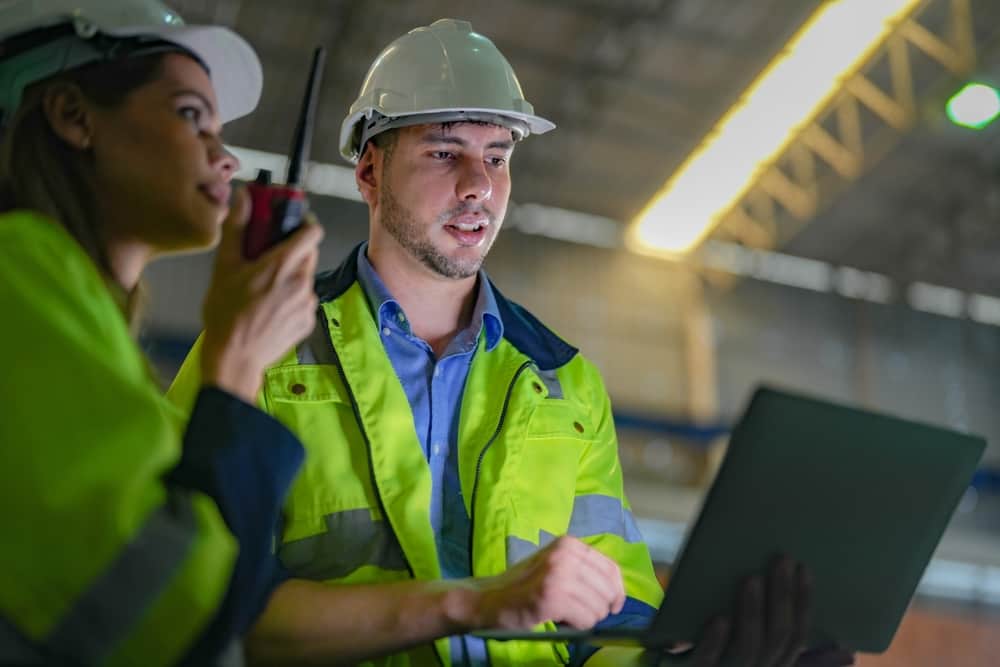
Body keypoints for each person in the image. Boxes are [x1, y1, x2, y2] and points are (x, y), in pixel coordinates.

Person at [169, 19, 851, 667]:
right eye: (445, 153)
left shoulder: (565, 382)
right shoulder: (255, 341)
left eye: (497, 156)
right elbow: (183, 592)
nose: (479, 186)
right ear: (369, 172)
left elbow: (614, 620)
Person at [0, 1, 324, 665]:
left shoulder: (82, 317)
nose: (224, 155)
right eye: (190, 115)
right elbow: (173, 611)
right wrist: (236, 359)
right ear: (73, 116)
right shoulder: (17, 266)